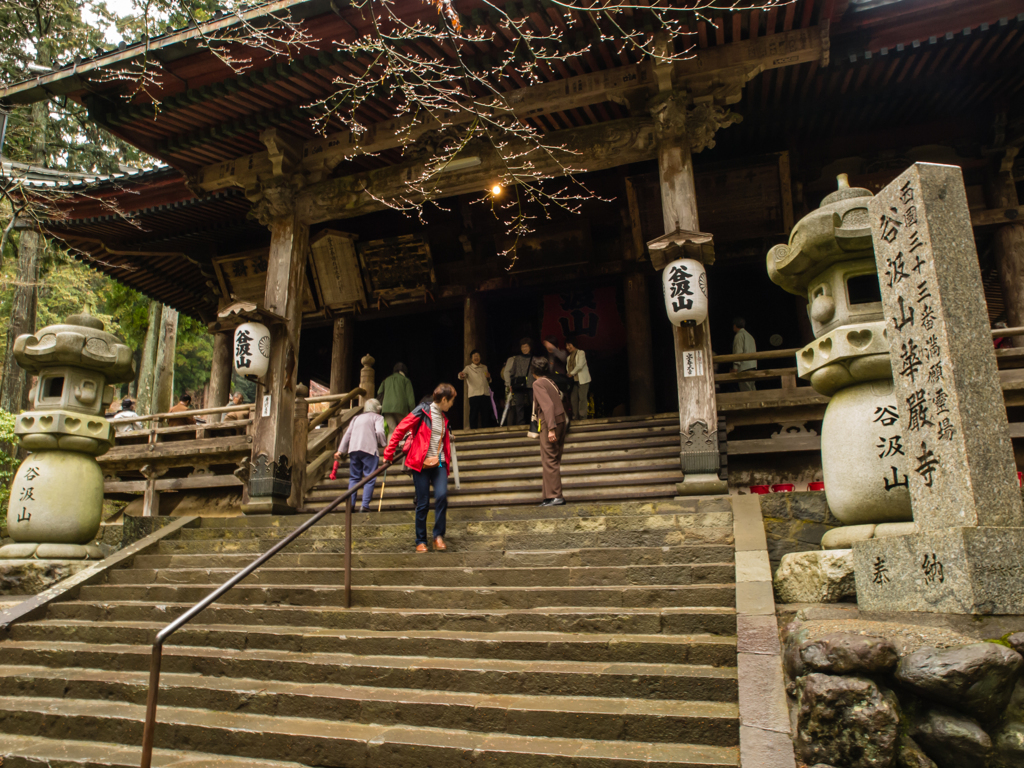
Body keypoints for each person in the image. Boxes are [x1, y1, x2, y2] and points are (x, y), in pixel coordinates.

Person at [382, 383, 457, 553]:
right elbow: (400, 429)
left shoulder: (444, 419)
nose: (452, 404)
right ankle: (420, 540)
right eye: (451, 400)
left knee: (442, 496)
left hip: (439, 463)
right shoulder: (422, 411)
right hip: (420, 463)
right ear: (444, 399)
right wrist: (388, 454)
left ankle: (438, 536)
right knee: (422, 503)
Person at [334, 398, 387, 513]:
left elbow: (347, 434)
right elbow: (379, 432)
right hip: (369, 449)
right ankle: (364, 505)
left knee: (354, 477)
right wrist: (384, 444)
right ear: (378, 409)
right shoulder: (378, 417)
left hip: (353, 449)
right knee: (369, 477)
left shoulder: (356, 418)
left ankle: (351, 505)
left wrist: (340, 451)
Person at [531, 358, 568, 506]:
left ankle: (555, 496)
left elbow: (547, 406)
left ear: (533, 372)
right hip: (559, 421)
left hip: (549, 422)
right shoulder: (551, 382)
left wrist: (551, 429)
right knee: (551, 459)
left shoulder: (538, 383)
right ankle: (549, 496)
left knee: (550, 459)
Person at [502, 338, 534, 426]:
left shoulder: (533, 358)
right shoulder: (517, 359)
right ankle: (521, 423)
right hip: (518, 384)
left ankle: (534, 421)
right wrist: (511, 384)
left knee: (533, 404)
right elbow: (512, 372)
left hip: (531, 383)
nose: (524, 348)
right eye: (523, 347)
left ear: (530, 347)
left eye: (526, 346)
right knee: (519, 404)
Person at [376, 362, 417, 432]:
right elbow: (411, 400)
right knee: (405, 431)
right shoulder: (406, 380)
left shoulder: (386, 380)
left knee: (391, 432)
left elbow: (379, 392)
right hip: (401, 409)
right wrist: (414, 413)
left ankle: (391, 443)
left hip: (386, 408)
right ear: (403, 372)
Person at [458, 349, 493, 429]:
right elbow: (461, 376)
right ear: (471, 358)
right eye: (474, 356)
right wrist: (461, 375)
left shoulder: (484, 367)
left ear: (480, 357)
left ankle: (486, 430)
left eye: (477, 356)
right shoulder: (468, 368)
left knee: (485, 413)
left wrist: (489, 378)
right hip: (474, 394)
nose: (476, 358)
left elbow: (489, 380)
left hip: (485, 393)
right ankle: (473, 430)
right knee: (474, 413)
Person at [565, 336, 591, 420]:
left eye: (569, 345)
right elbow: (567, 369)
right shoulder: (568, 357)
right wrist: (569, 375)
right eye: (567, 345)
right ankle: (575, 417)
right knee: (573, 399)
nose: (568, 347)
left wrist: (571, 374)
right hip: (573, 381)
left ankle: (583, 417)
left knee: (582, 398)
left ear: (574, 344)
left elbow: (580, 365)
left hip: (582, 380)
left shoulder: (581, 353)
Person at [731, 317, 757, 392]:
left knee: (746, 391)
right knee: (752, 389)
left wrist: (735, 367)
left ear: (735, 325)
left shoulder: (739, 335)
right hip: (752, 366)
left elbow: (738, 352)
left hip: (744, 368)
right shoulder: (750, 336)